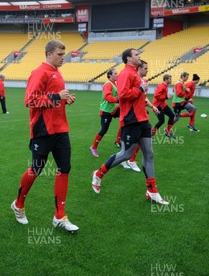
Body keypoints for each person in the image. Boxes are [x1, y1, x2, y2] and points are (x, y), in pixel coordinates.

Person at [11, 40, 79, 232]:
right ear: (49, 54)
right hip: (43, 130)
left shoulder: (57, 72)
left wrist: (65, 100)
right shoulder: (39, 72)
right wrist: (57, 97)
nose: (62, 58)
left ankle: (60, 216)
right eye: (59, 54)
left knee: (64, 168)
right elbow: (30, 100)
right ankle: (18, 204)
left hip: (61, 129)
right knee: (36, 169)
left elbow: (54, 97)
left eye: (63, 54)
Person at [91, 48, 169, 205]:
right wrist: (140, 89)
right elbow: (123, 95)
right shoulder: (125, 73)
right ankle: (98, 174)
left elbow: (140, 95)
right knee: (126, 154)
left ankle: (152, 191)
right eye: (136, 55)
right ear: (128, 58)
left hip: (143, 120)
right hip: (131, 120)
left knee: (149, 154)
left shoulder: (135, 74)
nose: (139, 56)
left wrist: (146, 99)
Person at [121, 60, 159, 172]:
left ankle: (130, 160)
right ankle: (126, 159)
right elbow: (125, 95)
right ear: (139, 68)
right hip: (131, 116)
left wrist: (152, 106)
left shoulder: (144, 81)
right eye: (145, 68)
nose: (147, 70)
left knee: (144, 145)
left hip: (141, 116)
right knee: (128, 146)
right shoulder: (132, 78)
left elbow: (143, 98)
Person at [90, 68, 122, 157]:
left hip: (114, 108)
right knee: (104, 130)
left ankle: (118, 141)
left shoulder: (115, 83)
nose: (117, 75)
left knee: (125, 119)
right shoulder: (108, 84)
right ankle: (93, 147)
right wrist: (118, 100)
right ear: (110, 75)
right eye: (115, 73)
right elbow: (108, 97)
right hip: (106, 111)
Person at [153, 74, 177, 139]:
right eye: (170, 79)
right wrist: (166, 97)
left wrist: (165, 97)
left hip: (163, 104)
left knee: (172, 115)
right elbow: (156, 95)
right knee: (161, 121)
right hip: (157, 106)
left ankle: (167, 131)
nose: (171, 80)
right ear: (166, 79)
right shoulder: (161, 86)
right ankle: (151, 134)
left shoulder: (165, 86)